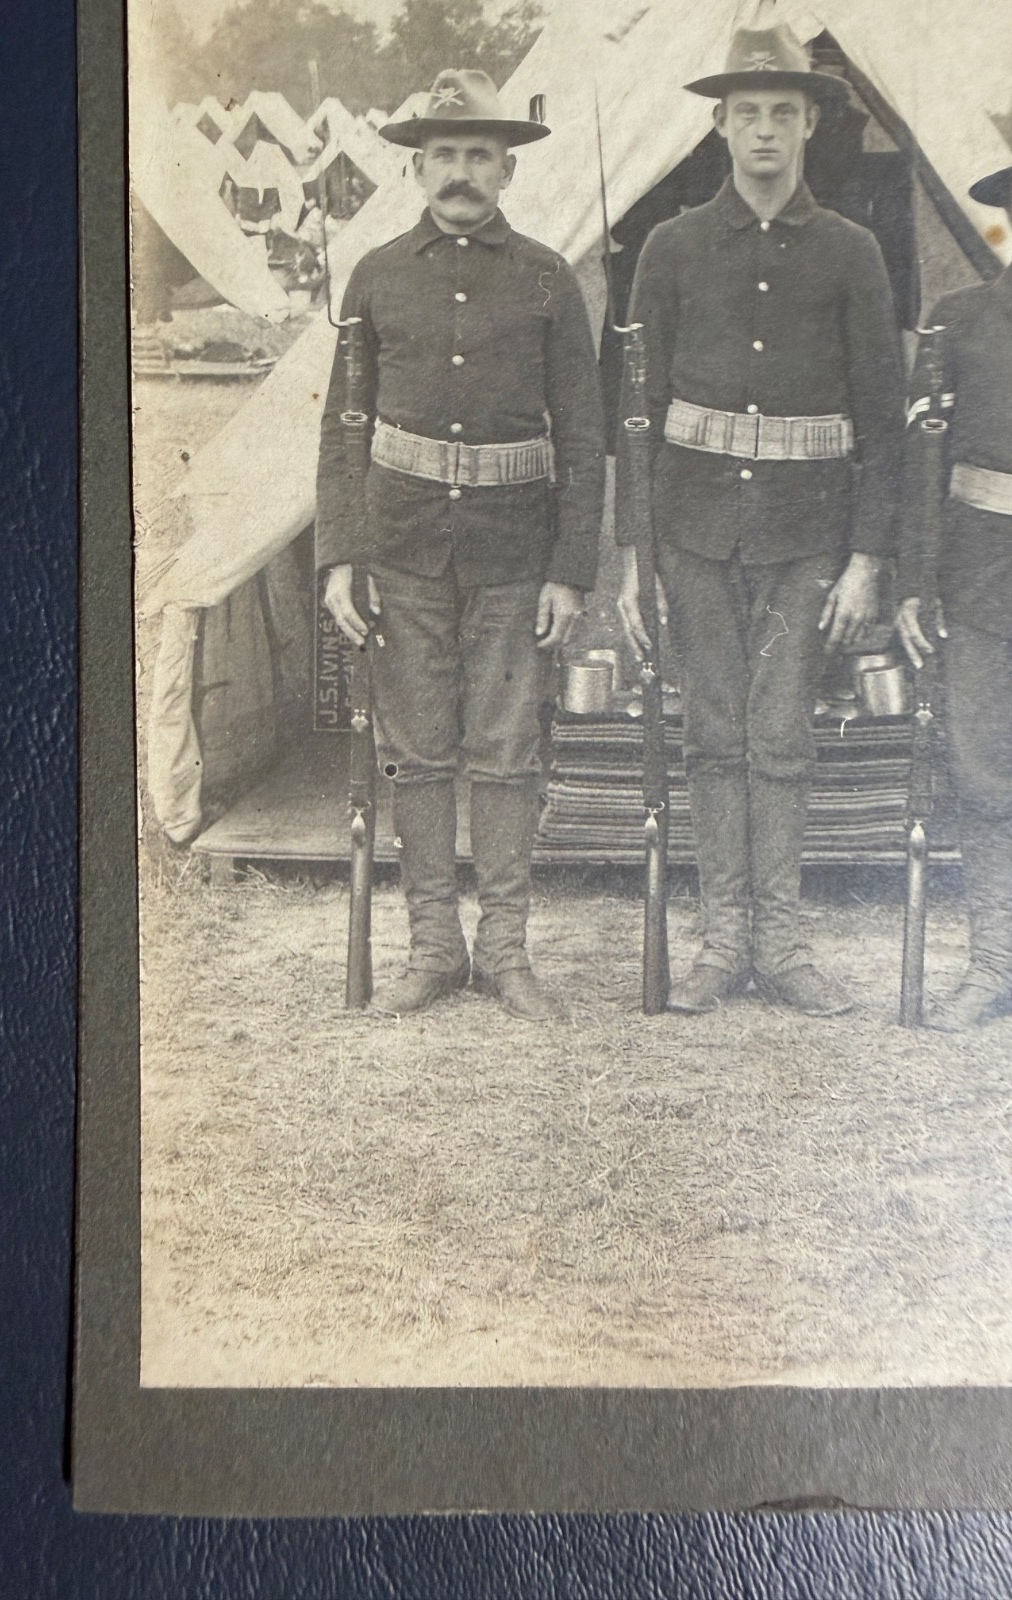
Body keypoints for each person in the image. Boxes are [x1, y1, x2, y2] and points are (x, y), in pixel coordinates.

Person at [616, 24, 904, 1016]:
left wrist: (869, 555)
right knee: (709, 733)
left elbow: (883, 420)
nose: (767, 131)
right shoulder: (672, 246)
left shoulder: (853, 252)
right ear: (721, 125)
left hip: (806, 537)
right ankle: (719, 940)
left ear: (812, 123)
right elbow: (635, 414)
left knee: (780, 733)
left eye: (785, 111)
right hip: (692, 530)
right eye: (749, 114)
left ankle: (782, 944)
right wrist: (633, 556)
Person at [316, 69, 606, 1020]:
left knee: (508, 749)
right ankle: (434, 947)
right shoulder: (376, 277)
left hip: (514, 555)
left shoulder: (546, 279)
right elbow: (344, 427)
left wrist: (571, 568)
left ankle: (507, 951)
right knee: (419, 749)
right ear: (416, 168)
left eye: (480, 155)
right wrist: (340, 555)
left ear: (508, 170)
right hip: (402, 546)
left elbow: (586, 433)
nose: (461, 173)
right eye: (444, 155)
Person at [896, 120, 1012, 1029]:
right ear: (1010, 216)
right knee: (985, 778)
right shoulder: (960, 319)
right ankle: (992, 964)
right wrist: (916, 581)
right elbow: (923, 461)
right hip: (984, 581)